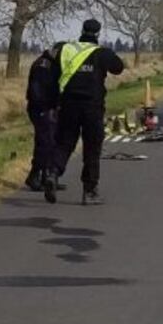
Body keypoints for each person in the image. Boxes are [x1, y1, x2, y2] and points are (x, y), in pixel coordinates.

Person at [48, 18, 124, 205]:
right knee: (92, 147)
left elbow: (53, 73)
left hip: (68, 104)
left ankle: (53, 173)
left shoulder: (66, 49)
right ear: (98, 34)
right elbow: (118, 68)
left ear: (81, 30)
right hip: (92, 106)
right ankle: (89, 191)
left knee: (64, 142)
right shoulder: (101, 53)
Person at [24, 47, 64, 192]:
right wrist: (45, 108)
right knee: (45, 143)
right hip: (41, 109)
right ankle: (34, 176)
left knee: (51, 143)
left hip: (48, 108)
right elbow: (37, 91)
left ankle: (47, 177)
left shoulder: (52, 65)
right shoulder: (43, 66)